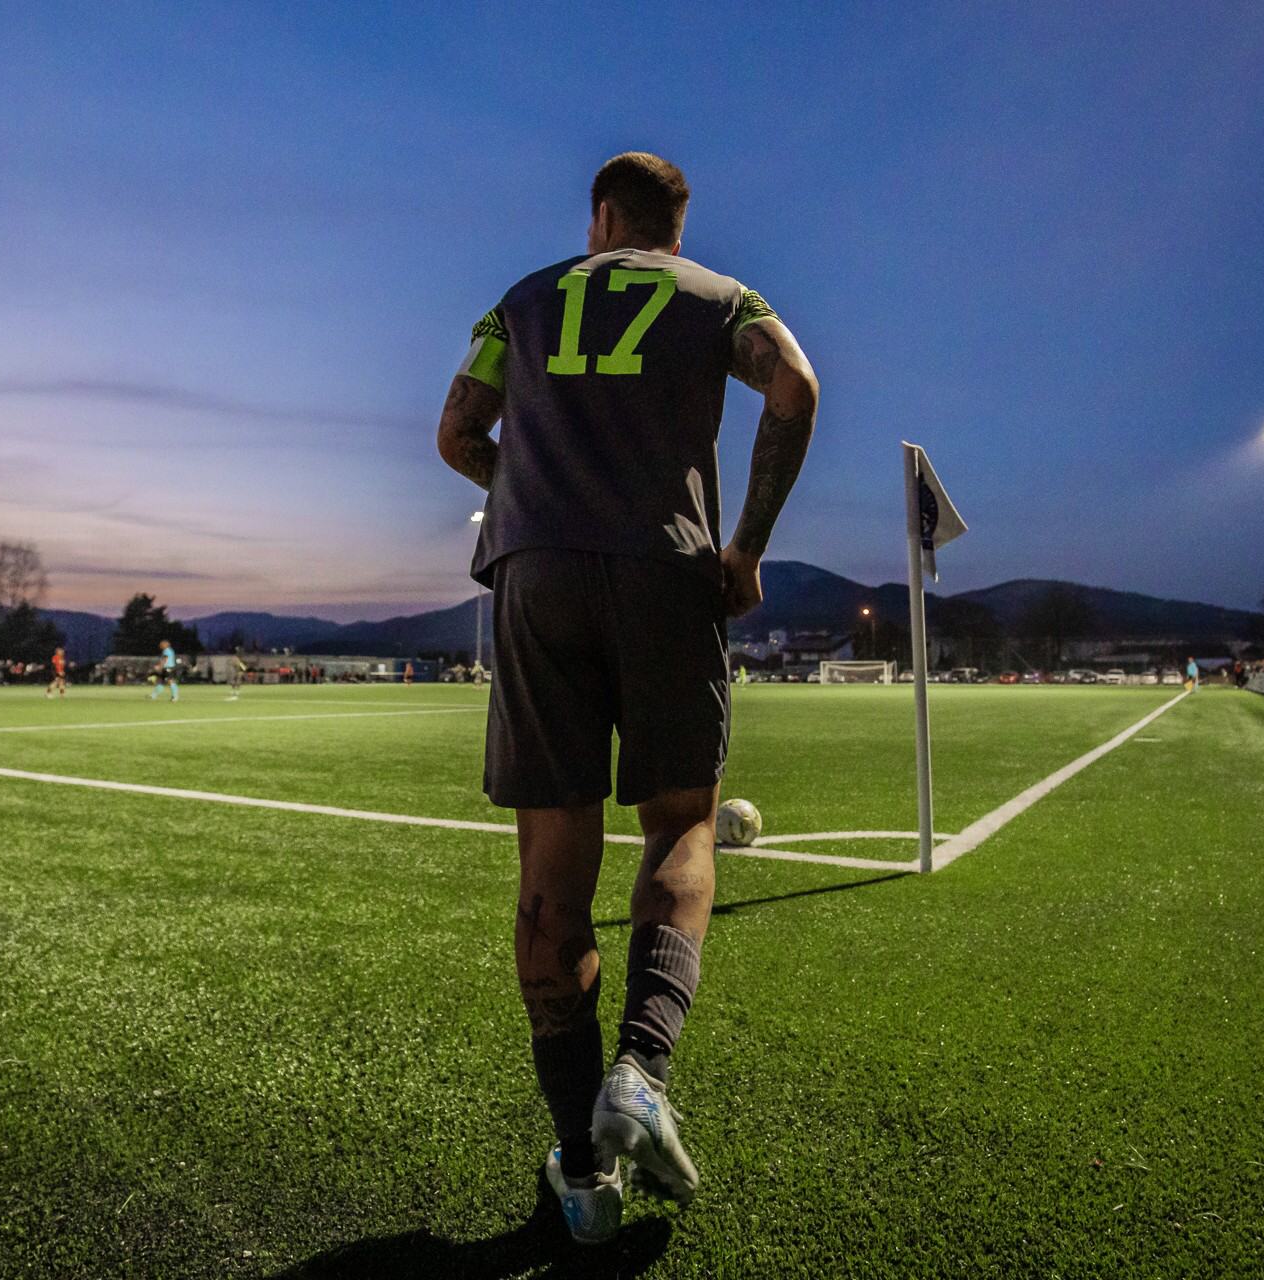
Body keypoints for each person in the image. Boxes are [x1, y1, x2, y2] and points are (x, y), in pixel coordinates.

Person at [437, 151, 817, 1244]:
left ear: (600, 215)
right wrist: (746, 545)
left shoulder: (520, 301)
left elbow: (457, 435)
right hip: (665, 569)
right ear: (674, 231)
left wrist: (536, 492)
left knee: (552, 869)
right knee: (682, 824)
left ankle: (580, 1169)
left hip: (538, 576)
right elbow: (794, 386)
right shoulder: (717, 296)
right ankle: (641, 1071)